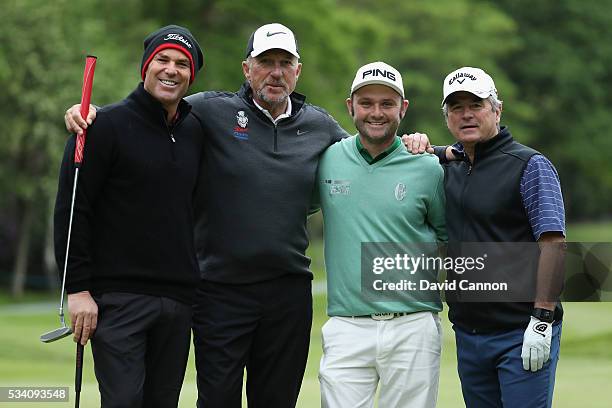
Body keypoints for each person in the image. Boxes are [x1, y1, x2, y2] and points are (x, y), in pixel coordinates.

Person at [64, 23, 349, 408]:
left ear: (298, 70)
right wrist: (91, 115)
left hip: (288, 290)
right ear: (247, 69)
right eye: (266, 62)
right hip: (219, 289)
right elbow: (147, 113)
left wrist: (432, 149)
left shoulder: (321, 125)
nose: (276, 72)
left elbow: (369, 152)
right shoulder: (209, 111)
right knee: (216, 400)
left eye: (285, 63)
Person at [54, 25, 204, 407]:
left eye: (182, 64)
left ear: (192, 76)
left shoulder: (195, 132)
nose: (172, 70)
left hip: (177, 301)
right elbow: (73, 210)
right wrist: (78, 289)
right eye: (163, 60)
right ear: (145, 67)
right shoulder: (102, 126)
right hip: (117, 301)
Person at [406, 66, 566, 408]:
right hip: (469, 334)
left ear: (497, 109)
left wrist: (542, 319)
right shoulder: (450, 165)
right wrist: (419, 145)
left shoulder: (529, 165)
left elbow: (553, 243)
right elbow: (429, 155)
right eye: (456, 107)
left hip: (521, 331)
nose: (466, 114)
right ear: (447, 116)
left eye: (476, 105)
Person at [315, 61, 447, 408]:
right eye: (367, 103)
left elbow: (451, 242)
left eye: (387, 104)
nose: (376, 112)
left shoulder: (428, 166)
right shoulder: (327, 159)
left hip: (413, 325)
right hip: (347, 324)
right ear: (350, 107)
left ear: (402, 109)